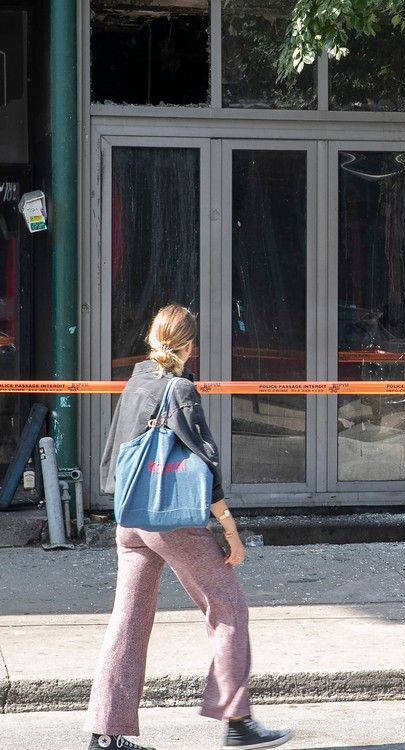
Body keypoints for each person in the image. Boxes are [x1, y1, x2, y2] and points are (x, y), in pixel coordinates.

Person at [86, 304, 292, 750]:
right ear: (189, 345)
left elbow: (112, 455)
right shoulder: (179, 388)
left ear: (152, 339)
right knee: (228, 607)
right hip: (169, 517)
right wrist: (230, 531)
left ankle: (106, 735)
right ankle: (238, 722)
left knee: (128, 621)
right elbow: (205, 463)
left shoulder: (137, 380)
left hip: (131, 517)